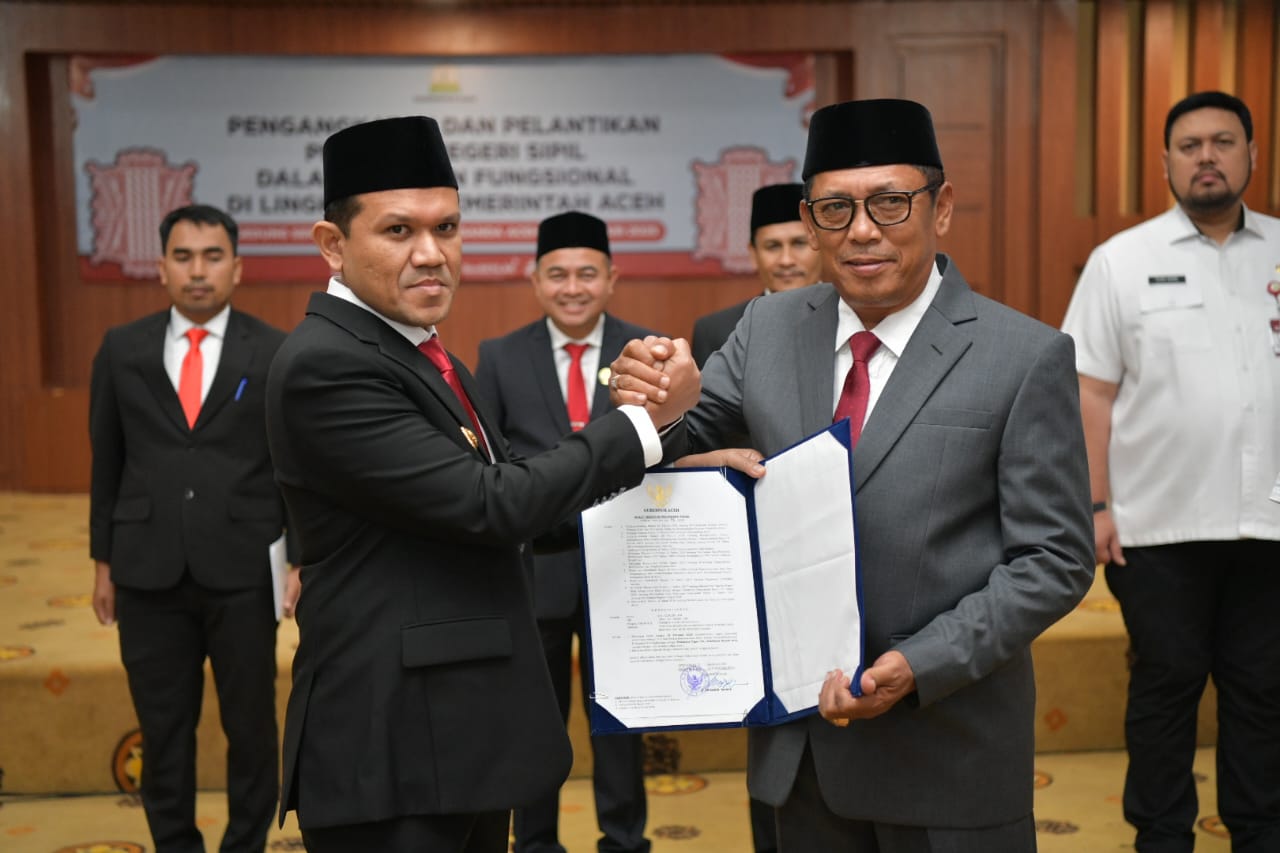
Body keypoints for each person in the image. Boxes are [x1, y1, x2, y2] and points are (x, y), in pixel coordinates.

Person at [612, 98, 1094, 852]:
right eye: (835, 208)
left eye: (890, 202)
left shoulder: (1023, 356)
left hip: (948, 751)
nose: (862, 230)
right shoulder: (768, 327)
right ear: (809, 222)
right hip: (803, 756)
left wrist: (920, 663)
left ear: (941, 208)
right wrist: (649, 402)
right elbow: (675, 438)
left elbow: (1055, 559)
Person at [264, 116, 700, 852]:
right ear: (333, 245)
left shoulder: (419, 352)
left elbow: (516, 511)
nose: (431, 254)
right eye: (398, 230)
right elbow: (490, 504)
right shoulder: (327, 365)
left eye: (447, 227)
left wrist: (667, 454)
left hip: (456, 738)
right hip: (392, 746)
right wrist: (638, 424)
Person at [1061, 90, 1280, 853]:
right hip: (1157, 526)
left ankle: (1260, 831)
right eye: (1190, 146)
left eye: (1223, 141)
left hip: (1270, 521)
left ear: (1252, 155)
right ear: (1165, 163)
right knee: (1166, 686)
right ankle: (1161, 836)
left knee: (1264, 691)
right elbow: (1089, 391)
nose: (1207, 157)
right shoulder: (1122, 260)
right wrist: (1095, 505)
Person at [88, 204, 299, 853]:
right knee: (163, 727)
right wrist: (103, 562)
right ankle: (174, 842)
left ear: (237, 268)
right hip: (145, 567)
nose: (198, 271)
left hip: (243, 567)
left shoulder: (274, 350)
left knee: (251, 726)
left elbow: (292, 465)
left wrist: (299, 557)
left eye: (212, 257)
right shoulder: (121, 348)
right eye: (183, 257)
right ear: (161, 268)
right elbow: (107, 460)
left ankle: (244, 844)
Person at [474, 211, 653, 853]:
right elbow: (488, 462)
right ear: (535, 280)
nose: (572, 288)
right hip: (535, 573)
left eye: (586, 273)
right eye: (557, 274)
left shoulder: (647, 348)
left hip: (624, 570)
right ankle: (537, 843)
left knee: (621, 723)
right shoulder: (499, 356)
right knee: (536, 724)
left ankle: (624, 840)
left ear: (611, 278)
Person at [691, 182, 823, 368]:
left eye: (799, 244)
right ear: (753, 254)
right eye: (773, 246)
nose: (786, 260)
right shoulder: (717, 331)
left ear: (820, 246)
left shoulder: (849, 315)